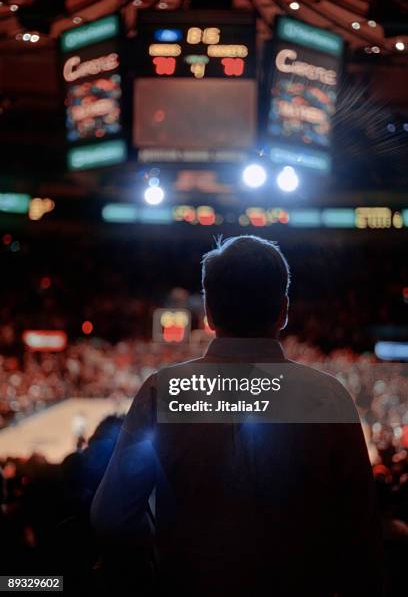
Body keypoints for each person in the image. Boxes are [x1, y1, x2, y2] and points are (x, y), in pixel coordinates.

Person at [91, 235, 383, 596]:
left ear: (208, 313)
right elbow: (361, 536)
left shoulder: (161, 391)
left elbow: (111, 519)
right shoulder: (330, 396)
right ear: (284, 310)